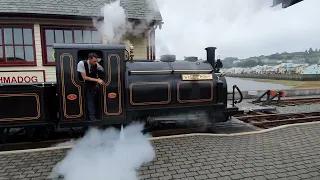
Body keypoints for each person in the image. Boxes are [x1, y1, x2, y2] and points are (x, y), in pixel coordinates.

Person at [77, 53, 105, 121]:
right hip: (84, 84)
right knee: (90, 100)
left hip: (93, 84)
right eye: (94, 61)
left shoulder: (96, 64)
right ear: (89, 59)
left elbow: (102, 70)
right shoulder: (81, 63)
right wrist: (97, 80)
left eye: (96, 61)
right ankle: (91, 117)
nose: (95, 63)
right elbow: (84, 77)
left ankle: (98, 114)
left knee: (95, 98)